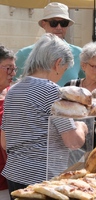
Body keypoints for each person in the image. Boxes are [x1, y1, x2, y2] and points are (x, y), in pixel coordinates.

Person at [1, 33, 88, 197]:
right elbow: (73, 141)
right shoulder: (52, 91)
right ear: (57, 63)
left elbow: (4, 142)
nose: (62, 75)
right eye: (64, 69)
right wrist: (81, 126)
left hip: (14, 175)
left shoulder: (13, 91)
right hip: (43, 179)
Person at [14, 2, 84, 86]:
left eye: (63, 23)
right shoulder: (23, 54)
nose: (59, 27)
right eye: (53, 23)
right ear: (44, 24)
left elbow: (89, 82)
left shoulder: (79, 54)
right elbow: (12, 84)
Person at [0, 45, 16, 200]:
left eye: (14, 69)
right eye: (8, 69)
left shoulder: (13, 93)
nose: (13, 74)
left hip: (11, 173)